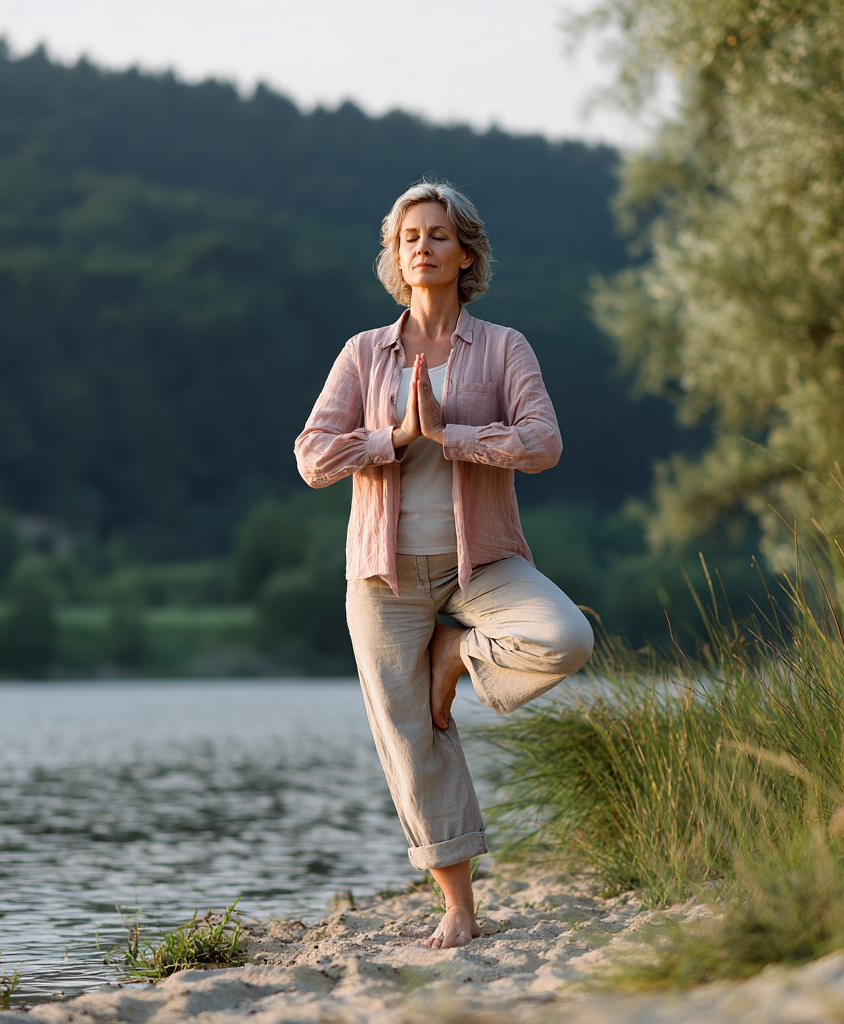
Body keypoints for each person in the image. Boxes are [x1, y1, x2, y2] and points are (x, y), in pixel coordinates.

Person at [294, 181, 594, 949]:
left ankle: (456, 653)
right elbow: (312, 456)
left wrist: (453, 432)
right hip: (384, 574)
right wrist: (392, 438)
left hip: (480, 562)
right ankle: (458, 903)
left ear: (466, 253)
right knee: (409, 737)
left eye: (436, 234)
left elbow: (544, 442)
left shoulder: (503, 347)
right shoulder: (364, 353)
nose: (421, 247)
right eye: (408, 237)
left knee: (566, 637)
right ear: (395, 257)